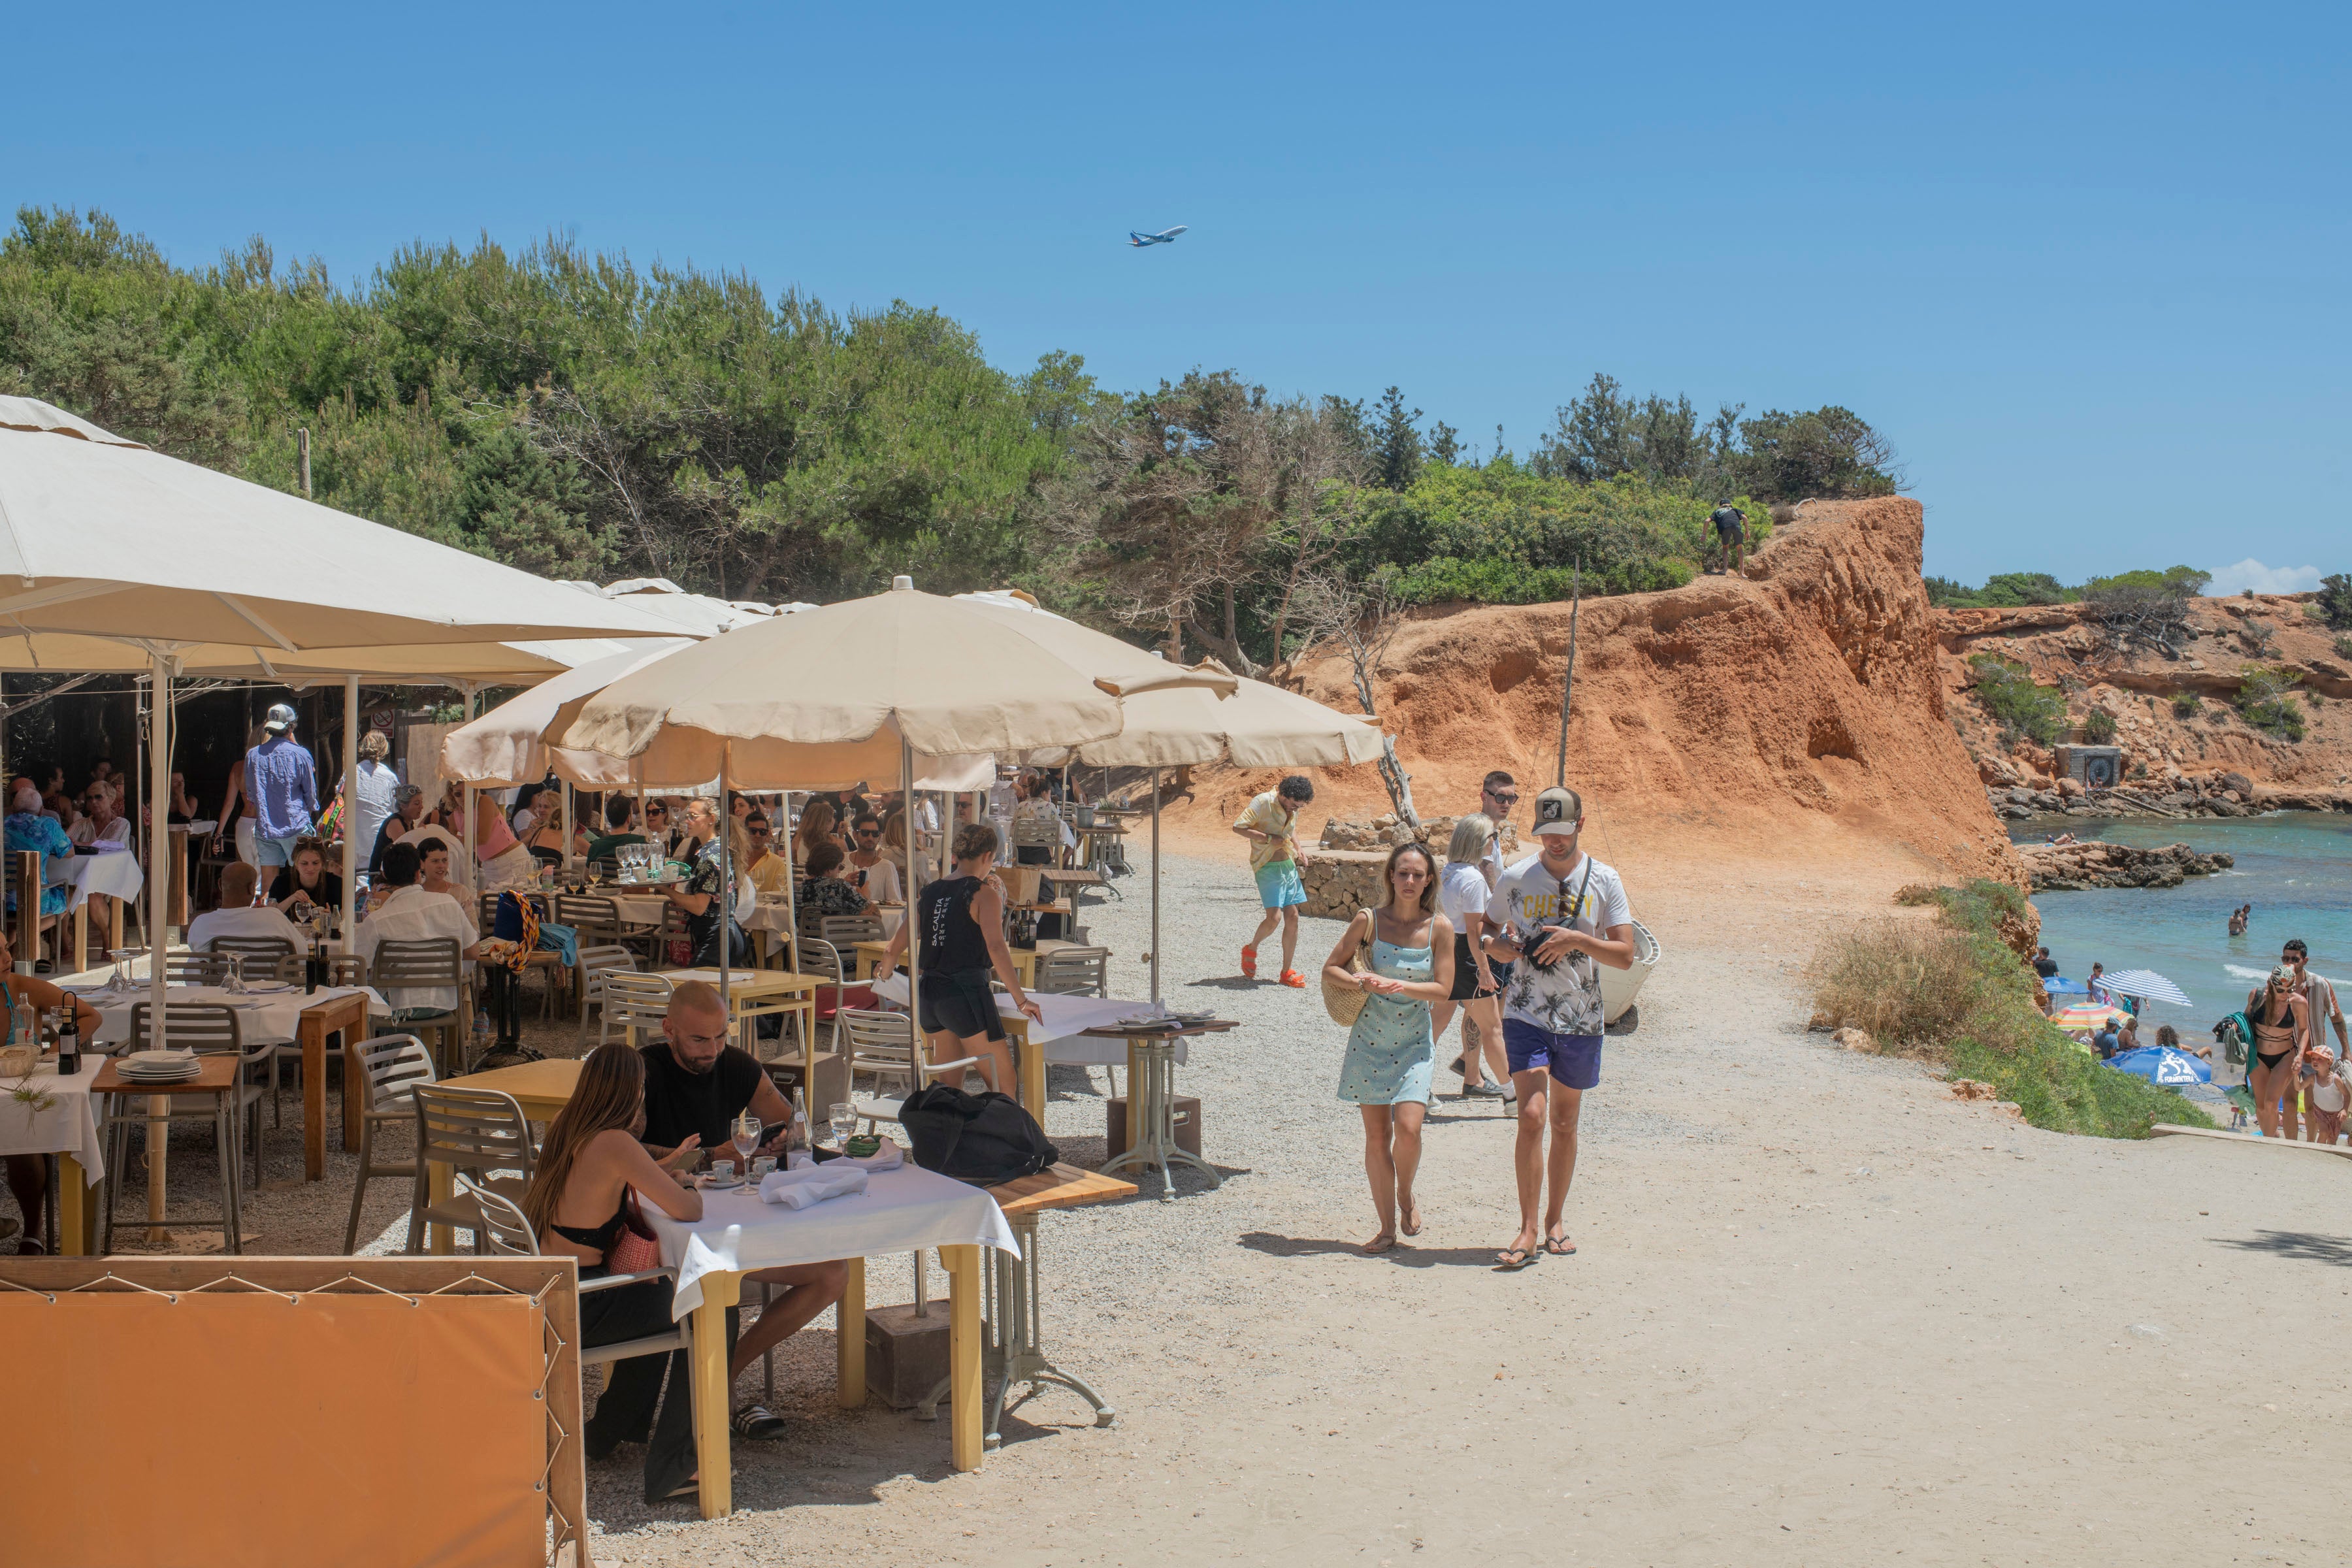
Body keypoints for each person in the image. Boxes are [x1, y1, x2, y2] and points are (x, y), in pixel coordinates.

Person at [630, 983, 848, 1441]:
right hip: (658, 1234)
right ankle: (680, 1404)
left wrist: (780, 1136)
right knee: (720, 1283)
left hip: (731, 1222)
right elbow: (620, 1150)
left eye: (720, 1037)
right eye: (698, 1040)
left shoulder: (736, 1065)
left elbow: (789, 1118)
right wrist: (710, 1155)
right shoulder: (642, 1072)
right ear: (669, 1030)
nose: (712, 1050)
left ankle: (724, 1372)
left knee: (832, 1274)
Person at [519, 1043, 707, 1501]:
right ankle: (675, 1466)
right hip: (583, 1306)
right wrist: (681, 1183)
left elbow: (604, 1185)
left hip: (551, 1294)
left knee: (660, 1299)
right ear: (632, 1091)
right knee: (703, 1308)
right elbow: (688, 1209)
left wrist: (660, 1172)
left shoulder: (570, 1128)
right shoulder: (616, 1142)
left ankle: (609, 1431)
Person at [1482, 786, 1635, 1269]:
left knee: (1565, 1123)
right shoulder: (1516, 877)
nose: (1553, 842)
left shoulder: (1605, 880)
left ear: (1580, 825)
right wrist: (1495, 947)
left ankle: (1554, 1221)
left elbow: (1627, 954)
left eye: (1562, 832)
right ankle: (1527, 1230)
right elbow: (1486, 931)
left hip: (1581, 1018)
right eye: (1545, 833)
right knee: (1531, 1116)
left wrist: (1576, 939)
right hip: (1525, 1012)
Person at [1323, 841, 1455, 1254]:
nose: (1410, 881)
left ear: (1429, 879)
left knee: (1411, 1130)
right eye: (1403, 873)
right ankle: (1385, 1228)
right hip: (1369, 1041)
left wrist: (1401, 985)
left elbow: (1444, 988)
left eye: (1418, 874)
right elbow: (1330, 968)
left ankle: (1406, 1194)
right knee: (1377, 1138)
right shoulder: (1369, 921)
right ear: (1391, 877)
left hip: (1415, 1041)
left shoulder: (1440, 928)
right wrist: (1360, 982)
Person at [875, 822, 1044, 1096]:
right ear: (988, 856)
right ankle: (1001, 1139)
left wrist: (885, 979)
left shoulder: (929, 892)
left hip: (929, 995)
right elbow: (997, 948)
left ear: (956, 855)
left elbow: (892, 950)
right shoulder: (983, 893)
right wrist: (1021, 1000)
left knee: (948, 1090)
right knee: (1004, 1085)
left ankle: (946, 1138)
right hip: (965, 994)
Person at [0, 927, 103, 1253]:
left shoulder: (22, 989)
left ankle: (34, 1228)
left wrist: (55, 1051)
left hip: (22, 1092)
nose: (7, 957)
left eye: (6, 948)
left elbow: (89, 1015)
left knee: (23, 1143)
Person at [355, 842, 483, 1017]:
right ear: (418, 872)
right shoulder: (449, 904)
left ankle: (387, 1043)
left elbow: (359, 966)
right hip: (444, 1002)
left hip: (396, 1007)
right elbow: (474, 952)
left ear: (385, 875)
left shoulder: (378, 920)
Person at [1433, 814, 1509, 1100]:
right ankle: (1512, 1094)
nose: (1495, 842)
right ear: (1480, 841)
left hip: (1446, 950)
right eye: (1493, 837)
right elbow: (1475, 932)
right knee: (1493, 1027)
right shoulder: (1474, 879)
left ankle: (1415, 1085)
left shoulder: (1449, 871)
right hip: (1467, 955)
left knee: (1435, 1025)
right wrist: (1485, 970)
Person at [1232, 775, 1315, 988]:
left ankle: (1286, 972)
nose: (1295, 810)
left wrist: (1299, 848)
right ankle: (1251, 948)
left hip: (1287, 865)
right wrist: (1268, 839)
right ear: (1283, 795)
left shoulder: (1290, 809)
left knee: (1293, 916)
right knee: (1274, 918)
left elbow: (1290, 827)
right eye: (1294, 805)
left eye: (1300, 807)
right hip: (1267, 866)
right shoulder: (1262, 802)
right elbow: (1238, 827)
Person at [662, 801, 751, 968]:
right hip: (726, 933)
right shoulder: (715, 848)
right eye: (687, 816)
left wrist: (665, 889)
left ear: (711, 819)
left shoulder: (710, 855)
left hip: (717, 937)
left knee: (694, 990)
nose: (687, 821)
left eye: (693, 816)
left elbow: (699, 906)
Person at [246, 703, 319, 873]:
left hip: (266, 827)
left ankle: (268, 901)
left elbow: (251, 793)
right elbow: (311, 794)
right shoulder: (301, 754)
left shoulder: (253, 755)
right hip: (296, 825)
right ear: (291, 727)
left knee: (268, 883)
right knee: (304, 879)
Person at [2244, 964, 2313, 1140]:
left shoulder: (2298, 1003)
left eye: (2289, 989)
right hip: (2259, 1056)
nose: (2285, 994)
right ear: (2270, 984)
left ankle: (2269, 1143)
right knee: (2260, 1106)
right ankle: (2270, 1136)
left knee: (2271, 1102)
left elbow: (2304, 1030)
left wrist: (2300, 1054)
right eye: (2281, 990)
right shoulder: (2257, 996)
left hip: (2285, 1056)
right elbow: (2245, 1022)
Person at [3, 785, 75, 944]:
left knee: (15, 915)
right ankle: (18, 938)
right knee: (69, 895)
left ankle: (12, 945)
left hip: (3, 899)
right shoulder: (48, 825)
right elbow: (70, 853)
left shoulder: (3, 823)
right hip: (35, 898)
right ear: (42, 810)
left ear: (14, 807)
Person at [187, 862, 308, 953]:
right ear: (251, 888)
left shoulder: (201, 923)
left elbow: (199, 963)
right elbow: (303, 953)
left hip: (222, 985)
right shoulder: (274, 918)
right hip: (272, 985)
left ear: (220, 885)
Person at [2280, 939, 2349, 1060]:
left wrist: (2346, 1051)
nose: (2290, 963)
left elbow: (2336, 1019)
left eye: (2295, 960)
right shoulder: (2278, 987)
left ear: (2305, 961)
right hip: (2286, 1056)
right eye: (2286, 959)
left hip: (2316, 1057)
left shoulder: (2320, 985)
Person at [349, 732, 402, 881]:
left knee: (359, 878)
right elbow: (395, 808)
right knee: (378, 879)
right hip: (380, 835)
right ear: (385, 749)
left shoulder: (352, 772)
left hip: (356, 833)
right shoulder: (389, 777)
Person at [212, 725, 267, 866]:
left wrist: (219, 834)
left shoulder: (238, 767)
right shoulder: (270, 766)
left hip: (243, 826)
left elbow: (229, 804)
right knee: (263, 878)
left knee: (249, 874)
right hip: (263, 825)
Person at [796, 841, 877, 936]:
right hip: (842, 948)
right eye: (839, 866)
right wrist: (865, 897)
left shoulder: (796, 891)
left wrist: (842, 883)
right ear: (829, 869)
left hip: (808, 948)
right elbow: (876, 917)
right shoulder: (840, 887)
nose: (839, 871)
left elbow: (821, 891)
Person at [265, 838, 344, 928]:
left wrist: (332, 918)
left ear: (322, 863)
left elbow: (345, 918)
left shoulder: (335, 883)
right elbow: (271, 915)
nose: (310, 868)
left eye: (315, 863)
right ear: (296, 864)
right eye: (304, 863)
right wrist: (292, 898)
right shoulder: (281, 882)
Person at [472, 789, 536, 892]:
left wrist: (461, 840)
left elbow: (483, 838)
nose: (462, 797)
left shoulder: (484, 801)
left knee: (521, 902)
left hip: (512, 861)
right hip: (489, 865)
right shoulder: (457, 812)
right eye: (458, 794)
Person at [845, 813, 902, 906]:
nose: (870, 838)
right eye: (865, 833)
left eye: (875, 834)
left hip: (875, 919)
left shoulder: (887, 867)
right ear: (855, 835)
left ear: (880, 837)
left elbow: (895, 904)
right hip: (842, 919)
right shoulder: (842, 861)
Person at [372, 785, 427, 876]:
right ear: (403, 806)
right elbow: (408, 852)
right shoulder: (395, 823)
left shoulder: (409, 822)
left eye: (421, 803)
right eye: (417, 804)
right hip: (381, 876)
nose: (421, 807)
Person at [741, 813, 794, 897]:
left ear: (767, 835)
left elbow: (778, 896)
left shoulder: (777, 863)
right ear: (744, 832)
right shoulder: (734, 858)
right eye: (753, 831)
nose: (758, 835)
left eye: (762, 832)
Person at [2304, 1045, 2346, 1146]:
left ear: (2329, 1062)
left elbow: (2347, 1095)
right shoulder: (2312, 1078)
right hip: (2320, 1111)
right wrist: (2295, 1075)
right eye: (2313, 1058)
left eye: (2319, 1059)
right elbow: (2299, 1087)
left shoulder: (2335, 1079)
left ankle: (2328, 1155)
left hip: (2336, 1113)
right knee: (2323, 1132)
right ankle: (2318, 1152)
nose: (2315, 1061)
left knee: (2332, 1139)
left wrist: (2344, 1109)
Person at [587, 796, 646, 865]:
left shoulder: (596, 846)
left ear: (609, 818)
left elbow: (588, 874)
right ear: (629, 819)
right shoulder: (641, 844)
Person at [793, 798, 839, 870]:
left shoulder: (798, 839)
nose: (834, 820)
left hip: (803, 878)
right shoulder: (836, 843)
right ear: (827, 822)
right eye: (832, 817)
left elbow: (793, 860)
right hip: (827, 880)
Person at [1708, 500, 1747, 574]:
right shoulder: (1734, 510)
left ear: (1721, 506)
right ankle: (1742, 573)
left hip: (1725, 528)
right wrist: (1747, 532)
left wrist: (1704, 535)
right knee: (1739, 548)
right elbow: (1745, 518)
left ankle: (1725, 570)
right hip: (1736, 526)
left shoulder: (1717, 511)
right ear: (1730, 505)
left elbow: (1707, 521)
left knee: (1725, 548)